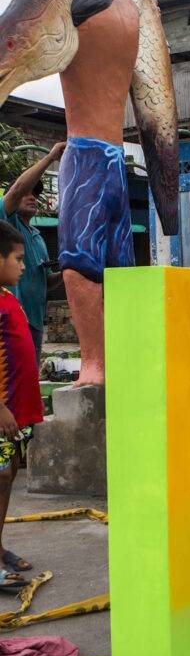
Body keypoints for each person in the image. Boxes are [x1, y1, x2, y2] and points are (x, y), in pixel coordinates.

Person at [14, 0, 138, 386]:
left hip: (88, 155)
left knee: (82, 261)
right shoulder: (129, 14)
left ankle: (96, 363)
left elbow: (23, 22)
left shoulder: (82, 6)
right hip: (113, 157)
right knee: (112, 263)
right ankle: (108, 360)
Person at [0, 220, 44, 585]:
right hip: (2, 413)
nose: (24, 265)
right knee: (0, 476)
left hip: (13, 414)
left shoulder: (7, 297)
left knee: (9, 474)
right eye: (17, 258)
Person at [0, 143, 65, 364]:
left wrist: (67, 271)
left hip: (35, 321)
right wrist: (50, 157)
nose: (32, 197)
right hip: (10, 318)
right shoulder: (7, 224)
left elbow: (46, 282)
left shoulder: (38, 238)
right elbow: (18, 188)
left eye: (35, 194)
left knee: (28, 377)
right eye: (26, 194)